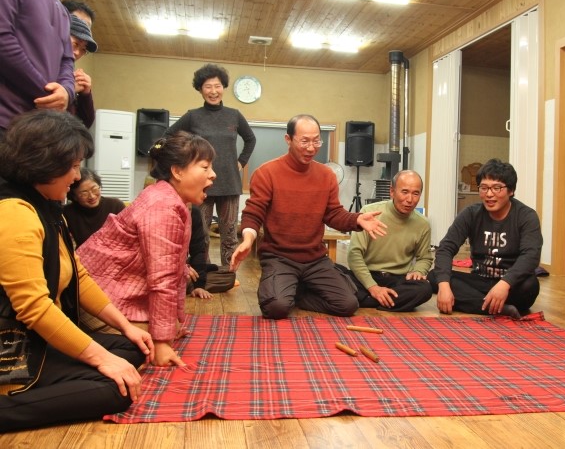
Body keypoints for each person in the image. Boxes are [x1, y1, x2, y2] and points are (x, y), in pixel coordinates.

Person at [0, 110, 153, 432]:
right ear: (45, 164)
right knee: (116, 389)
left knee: (132, 348)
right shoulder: (14, 212)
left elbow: (78, 276)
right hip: (13, 349)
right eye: (72, 166)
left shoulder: (47, 206)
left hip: (39, 338)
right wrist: (102, 359)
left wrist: (126, 327)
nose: (77, 176)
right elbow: (34, 307)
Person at [77, 131, 216, 367]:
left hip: (114, 291)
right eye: (205, 167)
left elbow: (173, 269)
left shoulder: (172, 199)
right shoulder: (162, 206)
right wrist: (161, 342)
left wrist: (169, 325)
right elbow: (162, 279)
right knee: (142, 349)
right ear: (177, 171)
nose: (213, 174)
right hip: (95, 299)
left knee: (167, 328)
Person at [230, 114, 387, 319]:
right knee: (276, 307)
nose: (311, 148)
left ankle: (297, 293)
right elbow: (254, 212)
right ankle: (284, 291)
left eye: (316, 141)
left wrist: (356, 219)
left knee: (348, 304)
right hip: (279, 257)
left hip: (315, 259)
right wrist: (248, 239)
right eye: (304, 141)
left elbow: (333, 214)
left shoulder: (326, 175)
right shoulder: (266, 173)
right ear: (288, 139)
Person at [167, 64, 257, 267]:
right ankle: (203, 272)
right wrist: (186, 162)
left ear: (223, 87)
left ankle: (228, 274)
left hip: (229, 184)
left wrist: (241, 161)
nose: (213, 91)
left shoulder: (234, 115)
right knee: (201, 235)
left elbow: (250, 139)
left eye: (217, 86)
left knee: (230, 236)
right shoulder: (193, 116)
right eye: (208, 86)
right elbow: (168, 136)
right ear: (200, 89)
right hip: (201, 185)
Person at [428, 159, 542, 318]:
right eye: (484, 188)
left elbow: (531, 256)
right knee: (435, 277)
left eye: (497, 188)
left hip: (511, 285)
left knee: (530, 285)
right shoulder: (471, 214)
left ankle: (475, 303)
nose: (489, 194)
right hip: (479, 281)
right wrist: (444, 287)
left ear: (511, 190)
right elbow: (446, 248)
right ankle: (497, 309)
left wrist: (505, 284)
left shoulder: (526, 216)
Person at [0, 0, 87, 131]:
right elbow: (3, 39)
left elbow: (67, 61)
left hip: (34, 131)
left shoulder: (62, 11)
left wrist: (66, 92)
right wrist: (48, 93)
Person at [341, 170, 433, 311]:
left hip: (398, 280)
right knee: (334, 272)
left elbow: (425, 258)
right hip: (366, 276)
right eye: (404, 192)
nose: (410, 199)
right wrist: (373, 287)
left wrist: (418, 271)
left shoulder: (423, 224)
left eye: (416, 193)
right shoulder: (370, 212)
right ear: (392, 191)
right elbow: (354, 254)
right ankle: (387, 301)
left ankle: (369, 300)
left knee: (425, 288)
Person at [63, 167, 125, 247]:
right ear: (74, 196)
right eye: (84, 193)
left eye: (94, 189)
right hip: (85, 253)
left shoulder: (115, 205)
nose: (92, 196)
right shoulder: (67, 212)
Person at [66, 14, 98, 128]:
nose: (77, 53)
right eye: (75, 44)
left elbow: (86, 123)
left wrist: (86, 94)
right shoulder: (44, 65)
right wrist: (70, 89)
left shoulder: (71, 73)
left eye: (83, 49)